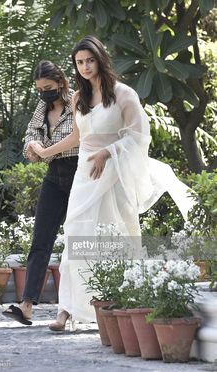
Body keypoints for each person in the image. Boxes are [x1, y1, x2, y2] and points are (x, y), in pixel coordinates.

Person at [31, 36, 194, 331]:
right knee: (75, 235)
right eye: (79, 62)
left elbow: (139, 135)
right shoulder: (78, 98)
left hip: (114, 173)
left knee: (115, 235)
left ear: (100, 59)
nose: (85, 67)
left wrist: (109, 152)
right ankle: (66, 309)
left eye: (89, 60)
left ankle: (122, 302)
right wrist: (45, 152)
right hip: (85, 173)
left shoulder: (124, 94)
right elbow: (77, 138)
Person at [2, 60, 78, 325]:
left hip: (79, 172)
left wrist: (45, 149)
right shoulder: (42, 107)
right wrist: (33, 147)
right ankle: (26, 306)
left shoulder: (77, 102)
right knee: (40, 240)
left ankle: (72, 308)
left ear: (60, 83)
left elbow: (79, 138)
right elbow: (30, 137)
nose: (44, 93)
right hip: (54, 174)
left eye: (48, 88)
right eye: (39, 89)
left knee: (77, 239)